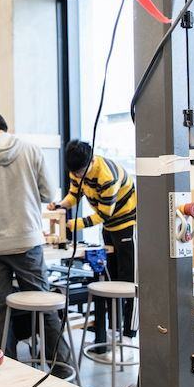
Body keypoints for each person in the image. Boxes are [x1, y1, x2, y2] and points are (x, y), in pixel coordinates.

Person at [0, 112, 72, 375]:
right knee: (43, 303)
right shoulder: (32, 149)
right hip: (27, 241)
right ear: (5, 129)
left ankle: (3, 366)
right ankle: (61, 364)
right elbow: (48, 194)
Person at [48, 139, 137, 338]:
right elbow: (74, 196)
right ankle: (113, 328)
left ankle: (130, 330)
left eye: (80, 172)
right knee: (111, 276)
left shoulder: (106, 177)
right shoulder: (76, 171)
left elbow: (103, 215)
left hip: (127, 224)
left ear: (90, 162)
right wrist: (61, 206)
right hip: (108, 227)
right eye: (74, 173)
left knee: (128, 279)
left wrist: (74, 224)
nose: (77, 176)